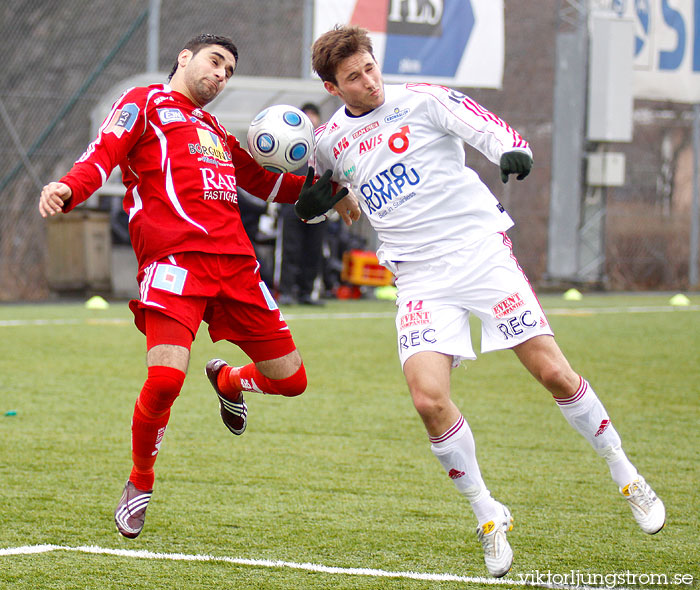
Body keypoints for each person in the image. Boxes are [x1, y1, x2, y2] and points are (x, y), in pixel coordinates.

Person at [307, 25, 665, 578]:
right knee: (428, 401)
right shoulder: (331, 140)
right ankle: (489, 515)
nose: (369, 82)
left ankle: (627, 476)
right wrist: (321, 203)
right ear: (333, 86)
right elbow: (327, 192)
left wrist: (511, 150)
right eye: (354, 77)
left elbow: (486, 126)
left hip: (479, 254)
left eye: (371, 67)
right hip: (419, 276)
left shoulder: (422, 99)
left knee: (553, 373)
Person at [38, 33, 357, 540]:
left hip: (236, 266)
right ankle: (141, 479)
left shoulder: (215, 130)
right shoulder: (144, 103)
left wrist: (329, 193)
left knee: (291, 380)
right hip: (174, 263)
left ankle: (229, 381)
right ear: (184, 58)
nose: (221, 75)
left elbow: (262, 181)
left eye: (228, 70)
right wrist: (68, 187)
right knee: (165, 380)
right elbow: (102, 154)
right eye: (215, 62)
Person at [277, 103, 327, 305]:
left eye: (315, 115)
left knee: (314, 249)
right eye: (308, 115)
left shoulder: (324, 143)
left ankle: (307, 292)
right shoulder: (288, 141)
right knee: (290, 248)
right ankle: (286, 291)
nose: (312, 119)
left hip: (318, 206)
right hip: (291, 204)